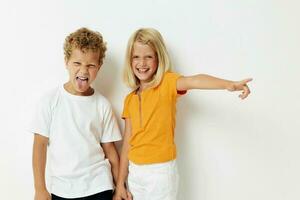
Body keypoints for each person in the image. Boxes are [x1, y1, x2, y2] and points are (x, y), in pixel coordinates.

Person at [114, 28, 252, 200]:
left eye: (148, 56)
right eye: (136, 57)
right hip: (135, 173)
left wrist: (228, 84)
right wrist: (120, 184)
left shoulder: (167, 82)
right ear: (129, 60)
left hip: (160, 172)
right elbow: (127, 143)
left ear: (159, 58)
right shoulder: (130, 99)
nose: (142, 63)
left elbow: (195, 80)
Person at [31, 27, 121, 200]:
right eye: (77, 63)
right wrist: (40, 189)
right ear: (66, 61)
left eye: (91, 65)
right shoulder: (50, 101)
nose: (84, 71)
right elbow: (39, 146)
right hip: (62, 188)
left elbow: (110, 150)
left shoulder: (102, 105)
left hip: (98, 185)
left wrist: (120, 187)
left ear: (99, 67)